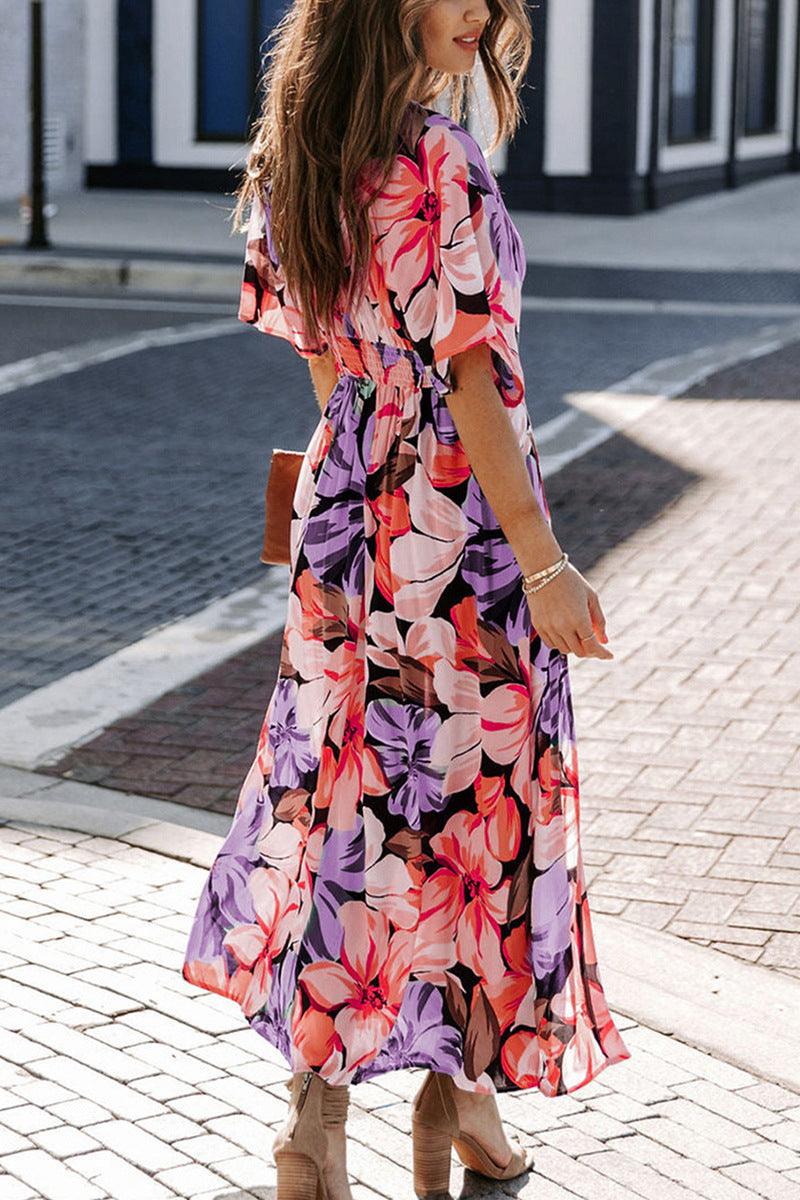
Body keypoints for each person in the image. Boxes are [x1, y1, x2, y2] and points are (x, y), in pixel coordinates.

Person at [182, 2, 630, 1196]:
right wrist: (539, 561)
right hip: (460, 536)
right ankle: (453, 1103)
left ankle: (315, 1133)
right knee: (479, 808)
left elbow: (320, 359)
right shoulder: (437, 158)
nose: (479, 9)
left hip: (348, 523)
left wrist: (365, 448)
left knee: (353, 803)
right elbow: (473, 375)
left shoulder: (295, 155)